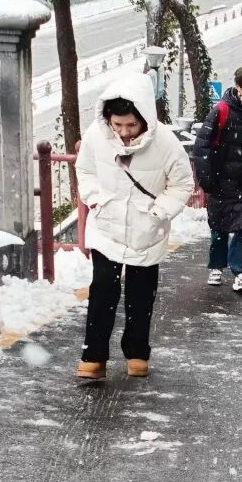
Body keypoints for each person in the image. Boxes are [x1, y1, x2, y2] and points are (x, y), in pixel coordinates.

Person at [75, 74, 194, 380]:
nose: (125, 133)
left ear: (144, 119)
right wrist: (95, 199)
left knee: (141, 295)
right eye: (118, 126)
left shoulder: (165, 142)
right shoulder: (95, 136)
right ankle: (94, 355)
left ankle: (137, 352)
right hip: (106, 226)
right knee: (102, 289)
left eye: (131, 125)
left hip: (147, 229)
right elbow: (85, 170)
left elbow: (182, 184)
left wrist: (159, 211)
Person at [193, 65, 242, 293]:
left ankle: (241, 272)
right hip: (221, 181)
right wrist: (207, 179)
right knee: (219, 225)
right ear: (238, 87)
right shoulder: (221, 111)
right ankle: (217, 265)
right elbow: (202, 147)